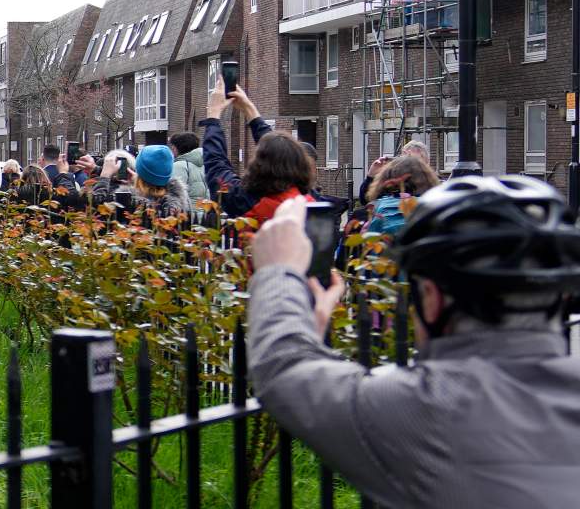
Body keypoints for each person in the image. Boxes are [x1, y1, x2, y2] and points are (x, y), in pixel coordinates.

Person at [247, 176, 580, 506]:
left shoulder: (425, 409)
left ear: (431, 298)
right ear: (560, 295)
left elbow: (284, 368)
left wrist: (279, 270)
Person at [200, 78, 314, 222]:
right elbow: (275, 150)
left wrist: (213, 115)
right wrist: (250, 110)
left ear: (259, 166)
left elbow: (216, 166)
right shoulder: (310, 201)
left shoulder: (246, 200)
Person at [89, 145, 192, 219]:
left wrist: (105, 176)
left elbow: (94, 210)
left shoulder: (129, 201)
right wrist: (96, 169)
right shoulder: (179, 198)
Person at [364, 154, 440, 237]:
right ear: (426, 177)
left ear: (387, 177)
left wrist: (370, 176)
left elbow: (371, 240)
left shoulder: (379, 205)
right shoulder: (434, 206)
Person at [357, 139, 430, 205]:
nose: (408, 163)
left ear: (426, 162)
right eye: (406, 159)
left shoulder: (431, 183)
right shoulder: (392, 181)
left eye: (414, 160)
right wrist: (371, 176)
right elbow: (366, 200)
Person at [169, 132, 208, 202]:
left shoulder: (179, 166)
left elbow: (174, 196)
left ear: (177, 148)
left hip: (186, 209)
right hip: (205, 207)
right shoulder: (204, 164)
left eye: (173, 147)